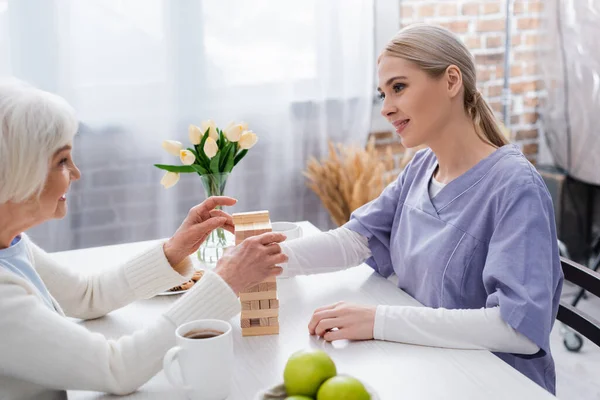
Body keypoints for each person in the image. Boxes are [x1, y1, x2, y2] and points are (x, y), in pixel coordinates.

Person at [279, 24, 563, 395]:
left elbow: (518, 330)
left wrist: (378, 320)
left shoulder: (515, 188)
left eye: (398, 87)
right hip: (427, 365)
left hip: (490, 383)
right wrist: (263, 259)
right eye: (382, 94)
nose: (385, 108)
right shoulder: (422, 167)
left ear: (450, 81)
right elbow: (356, 240)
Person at [0, 80, 288, 400]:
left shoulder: (9, 245)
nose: (76, 173)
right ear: (16, 171)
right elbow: (116, 368)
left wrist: (172, 252)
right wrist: (225, 283)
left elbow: (85, 296)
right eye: (62, 161)